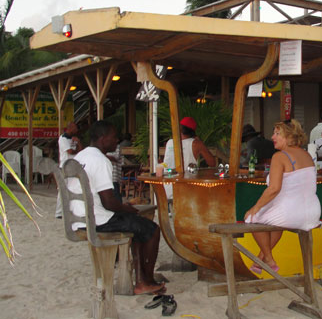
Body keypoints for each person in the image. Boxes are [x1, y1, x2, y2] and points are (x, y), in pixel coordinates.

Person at [66, 121, 164, 295]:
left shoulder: (80, 157)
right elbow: (109, 203)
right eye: (113, 137)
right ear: (103, 139)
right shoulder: (101, 160)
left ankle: (141, 278)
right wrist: (128, 209)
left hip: (79, 218)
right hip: (98, 220)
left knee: (138, 227)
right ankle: (145, 281)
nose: (117, 140)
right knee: (152, 229)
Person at [244, 119, 321, 273]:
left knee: (251, 218)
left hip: (292, 213)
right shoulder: (306, 155)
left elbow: (273, 189)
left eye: (278, 134)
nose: (273, 137)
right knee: (274, 219)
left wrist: (255, 208)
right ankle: (261, 260)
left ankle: (268, 258)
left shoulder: (279, 157)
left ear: (289, 137)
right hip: (313, 212)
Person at [163, 117, 216, 198]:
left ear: (180, 129)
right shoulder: (196, 143)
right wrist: (200, 142)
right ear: (193, 132)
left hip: (166, 188)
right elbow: (212, 163)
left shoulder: (169, 142)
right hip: (186, 189)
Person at [55, 122, 83, 218]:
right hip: (65, 166)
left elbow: (81, 150)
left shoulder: (73, 139)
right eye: (75, 128)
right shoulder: (63, 138)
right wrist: (77, 145)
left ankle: (69, 210)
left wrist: (78, 143)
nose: (77, 130)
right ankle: (59, 212)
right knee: (63, 189)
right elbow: (70, 151)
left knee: (72, 188)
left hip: (73, 165)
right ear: (70, 128)